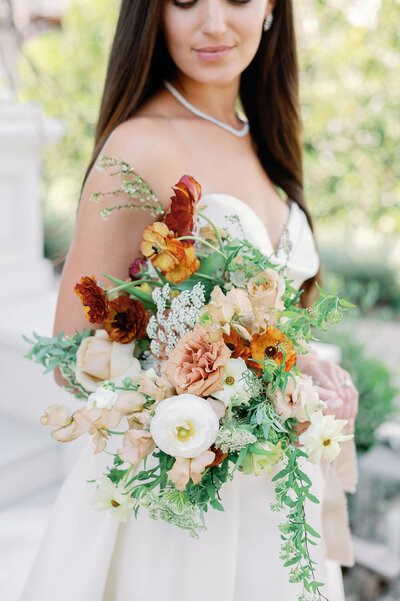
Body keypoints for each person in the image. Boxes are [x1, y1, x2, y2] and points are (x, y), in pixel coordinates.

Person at [21, 1, 359, 600]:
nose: (212, 23)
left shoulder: (265, 137)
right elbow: (70, 356)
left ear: (271, 9)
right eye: (183, 0)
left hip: (277, 501)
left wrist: (305, 376)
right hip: (176, 503)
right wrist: (200, 387)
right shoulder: (141, 145)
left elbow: (275, 326)